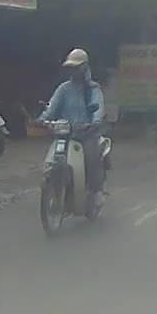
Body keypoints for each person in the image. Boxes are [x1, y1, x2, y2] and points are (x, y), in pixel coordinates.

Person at [39, 48, 106, 204]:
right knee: (54, 159)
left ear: (84, 68)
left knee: (91, 158)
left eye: (76, 67)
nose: (73, 71)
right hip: (65, 134)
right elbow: (52, 107)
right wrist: (43, 119)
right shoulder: (63, 88)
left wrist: (95, 122)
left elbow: (98, 107)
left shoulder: (93, 89)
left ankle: (96, 191)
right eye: (71, 68)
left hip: (87, 134)